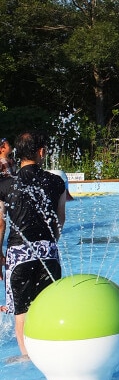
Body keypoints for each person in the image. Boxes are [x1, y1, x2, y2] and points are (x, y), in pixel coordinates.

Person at [0, 131, 67, 359]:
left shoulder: (6, 184)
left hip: (18, 255)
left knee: (22, 312)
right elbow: (60, 218)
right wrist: (50, 243)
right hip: (48, 252)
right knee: (49, 307)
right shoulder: (56, 181)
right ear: (41, 152)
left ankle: (27, 358)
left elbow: (0, 224)